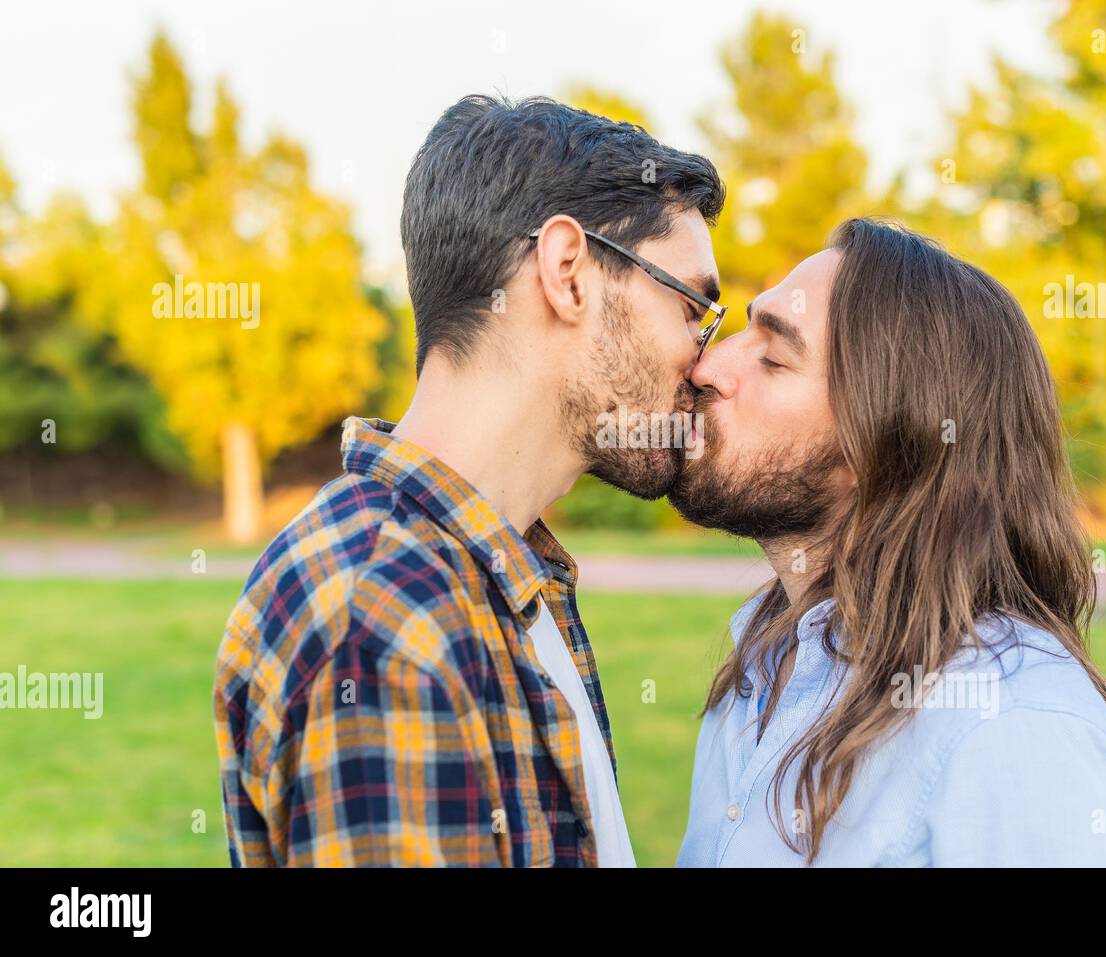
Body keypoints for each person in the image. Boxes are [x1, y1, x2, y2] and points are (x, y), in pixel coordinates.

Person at [214, 94, 725, 867]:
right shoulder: (389, 623)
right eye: (694, 307)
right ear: (568, 274)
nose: (707, 359)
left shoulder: (504, 578)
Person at [670, 217, 1106, 866]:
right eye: (743, 329)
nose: (709, 365)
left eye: (772, 356)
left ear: (886, 440)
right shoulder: (767, 660)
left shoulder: (1016, 732)